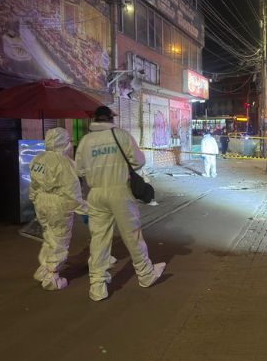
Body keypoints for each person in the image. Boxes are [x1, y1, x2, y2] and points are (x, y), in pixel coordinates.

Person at [75, 106, 166, 301]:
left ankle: (97, 286)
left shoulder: (85, 141)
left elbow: (80, 170)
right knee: (132, 235)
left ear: (95, 120)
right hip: (119, 191)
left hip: (96, 194)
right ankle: (146, 275)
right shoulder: (121, 136)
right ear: (111, 118)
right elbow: (139, 161)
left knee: (99, 239)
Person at [29, 127, 88, 291]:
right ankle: (52, 277)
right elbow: (72, 193)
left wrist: (34, 199)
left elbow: (33, 185)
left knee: (49, 236)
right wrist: (85, 210)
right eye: (68, 140)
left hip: (41, 202)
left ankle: (44, 268)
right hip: (57, 204)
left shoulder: (38, 159)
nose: (70, 143)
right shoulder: (65, 163)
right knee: (60, 238)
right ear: (63, 142)